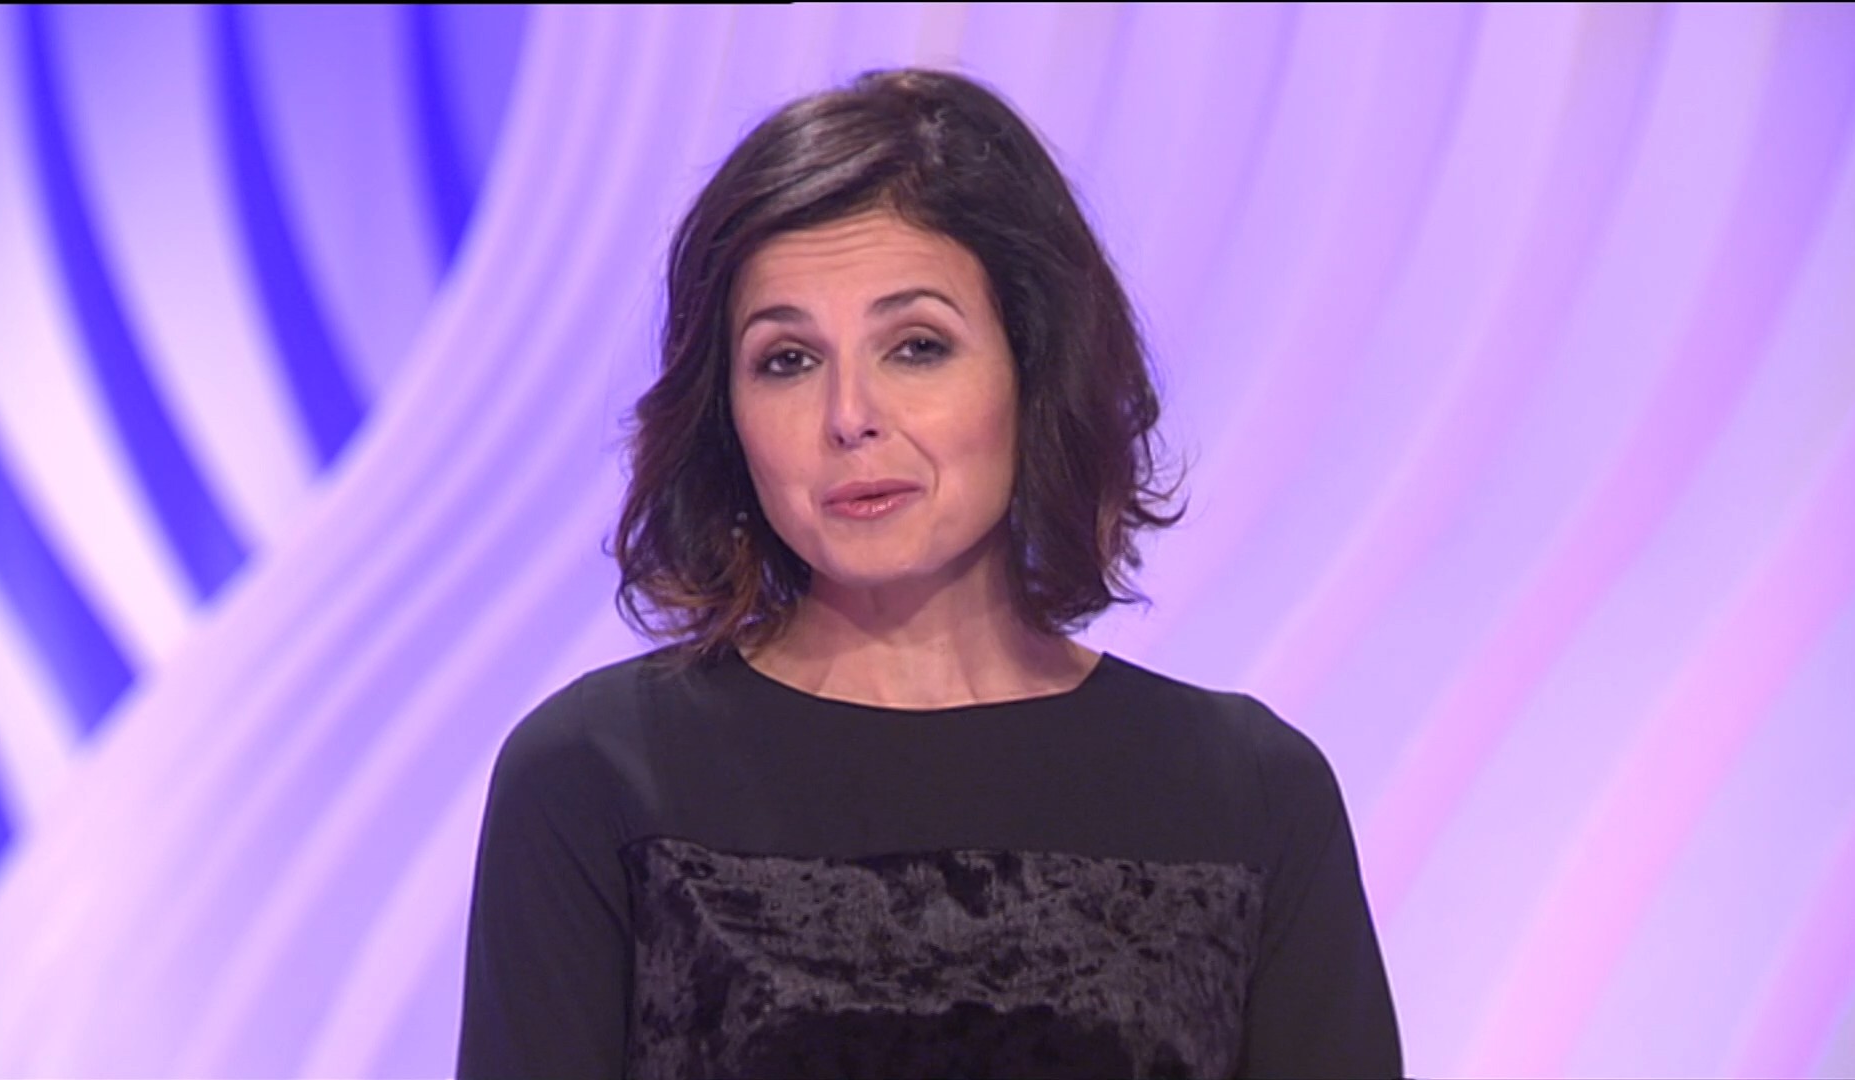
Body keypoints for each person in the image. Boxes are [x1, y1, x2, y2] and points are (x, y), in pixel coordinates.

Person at [457, 68, 1401, 1080]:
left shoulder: (1248, 795)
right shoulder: (596, 779)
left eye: (916, 346)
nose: (848, 417)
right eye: (787, 359)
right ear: (726, 416)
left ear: (1034, 372)